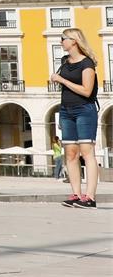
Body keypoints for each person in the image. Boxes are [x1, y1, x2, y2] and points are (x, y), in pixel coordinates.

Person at [51, 28, 99, 209]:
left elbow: (87, 91)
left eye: (63, 38)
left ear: (74, 41)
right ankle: (76, 194)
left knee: (87, 152)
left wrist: (62, 80)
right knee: (70, 154)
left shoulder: (87, 64)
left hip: (84, 109)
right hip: (66, 110)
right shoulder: (64, 62)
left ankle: (90, 197)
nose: (61, 41)